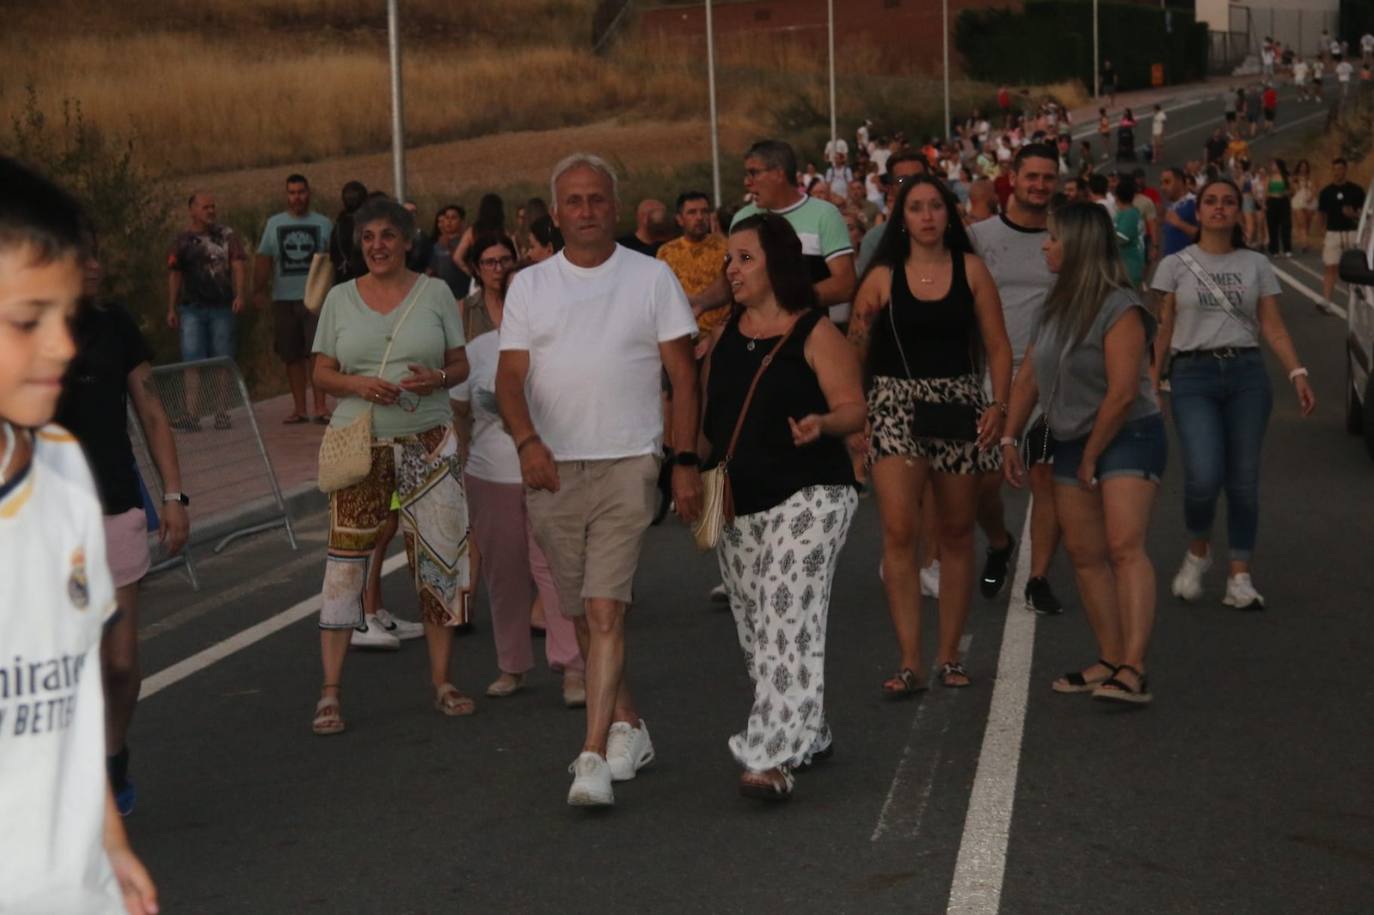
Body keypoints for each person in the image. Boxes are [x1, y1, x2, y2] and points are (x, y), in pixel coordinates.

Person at [495, 153, 701, 808]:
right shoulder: (530, 286)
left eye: (597, 199)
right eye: (574, 201)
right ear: (554, 214)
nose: (586, 210)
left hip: (629, 458)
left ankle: (591, 757)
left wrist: (684, 457)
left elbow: (684, 374)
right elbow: (509, 377)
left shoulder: (652, 276)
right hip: (553, 464)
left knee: (607, 605)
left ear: (615, 207)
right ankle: (628, 723)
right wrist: (527, 441)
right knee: (582, 609)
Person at [0, 155, 158, 913]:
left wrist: (111, 842)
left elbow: (70, 703)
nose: (63, 346)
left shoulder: (63, 475)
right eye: (28, 321)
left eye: (68, 317)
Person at [702, 213, 864, 799]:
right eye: (730, 259)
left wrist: (823, 421)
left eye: (745, 257)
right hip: (743, 499)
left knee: (783, 612)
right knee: (756, 626)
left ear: (776, 262)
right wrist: (687, 473)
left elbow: (854, 408)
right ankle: (810, 729)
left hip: (814, 491)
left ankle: (769, 753)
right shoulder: (722, 336)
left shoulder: (815, 332)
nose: (733, 269)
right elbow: (708, 423)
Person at [308, 197, 472, 734]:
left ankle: (442, 682)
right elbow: (322, 373)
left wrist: (438, 381)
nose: (377, 246)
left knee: (439, 562)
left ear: (407, 241)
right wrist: (356, 384)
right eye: (369, 237)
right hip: (362, 445)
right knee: (345, 565)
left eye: (387, 236)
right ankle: (330, 691)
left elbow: (459, 363)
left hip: (429, 442)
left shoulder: (436, 293)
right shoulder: (338, 298)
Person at [850, 174, 1012, 691]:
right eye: (915, 208)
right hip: (894, 404)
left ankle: (950, 657)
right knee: (900, 529)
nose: (926, 217)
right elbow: (855, 350)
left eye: (935, 207)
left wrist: (999, 407)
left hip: (958, 403)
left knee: (957, 531)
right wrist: (857, 420)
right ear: (901, 217)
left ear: (949, 214)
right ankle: (909, 660)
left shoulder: (972, 271)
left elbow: (999, 345)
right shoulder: (879, 278)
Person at [1002, 202, 1167, 704]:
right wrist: (1010, 436)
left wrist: (1093, 455)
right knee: (1085, 554)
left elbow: (1121, 393)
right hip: (1071, 436)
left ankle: (1134, 669)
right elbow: (1030, 374)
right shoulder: (1052, 303)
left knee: (1123, 546)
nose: (1045, 245)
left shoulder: (1122, 306)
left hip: (1127, 433)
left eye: (1053, 238)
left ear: (1076, 245)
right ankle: (1110, 659)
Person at [58, 229, 191, 818]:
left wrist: (174, 495)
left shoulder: (116, 327)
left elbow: (153, 411)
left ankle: (112, 758)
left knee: (118, 663)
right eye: (80, 257)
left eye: (96, 254)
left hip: (114, 506)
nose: (94, 266)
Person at [1150, 177, 1316, 610]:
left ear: (1236, 212)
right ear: (1198, 211)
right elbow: (1163, 327)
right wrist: (1152, 378)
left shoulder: (1255, 264)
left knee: (1243, 482)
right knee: (1203, 476)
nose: (1219, 208)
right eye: (1211, 202)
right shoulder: (1175, 264)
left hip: (1246, 375)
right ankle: (1198, 552)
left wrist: (1297, 371)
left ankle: (1239, 576)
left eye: (1227, 201)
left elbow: (1272, 324)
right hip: (1192, 375)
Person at [454, 232, 585, 706]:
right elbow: (460, 413)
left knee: (554, 570)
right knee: (504, 576)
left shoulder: (558, 346)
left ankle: (573, 668)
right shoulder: (479, 350)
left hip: (550, 473)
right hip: (489, 476)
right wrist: (458, 469)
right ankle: (512, 666)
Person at [970, 143, 1068, 614]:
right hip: (994, 377)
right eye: (1031, 176)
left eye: (1048, 178)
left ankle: (1039, 577)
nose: (1039, 186)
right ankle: (1000, 541)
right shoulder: (980, 237)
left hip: (1052, 379)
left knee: (1045, 474)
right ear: (1013, 176)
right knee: (982, 483)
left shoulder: (1064, 235)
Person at [254, 173, 332, 425]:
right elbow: (264, 258)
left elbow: (333, 260)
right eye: (292, 192)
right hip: (283, 299)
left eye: (301, 192)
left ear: (309, 193)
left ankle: (320, 407)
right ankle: (299, 408)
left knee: (317, 354)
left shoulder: (324, 223)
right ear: (286, 195)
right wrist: (258, 289)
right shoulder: (274, 224)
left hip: (316, 299)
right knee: (291, 355)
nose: (297, 197)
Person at [167, 191, 246, 431]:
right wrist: (171, 307)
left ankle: (222, 413)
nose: (210, 211)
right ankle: (192, 415)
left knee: (223, 360)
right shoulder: (182, 241)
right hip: (191, 309)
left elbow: (238, 264)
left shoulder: (227, 236)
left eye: (213, 206)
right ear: (192, 210)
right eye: (205, 207)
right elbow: (174, 273)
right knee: (191, 361)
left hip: (222, 306)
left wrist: (240, 294)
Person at [657, 191, 730, 339]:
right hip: (682, 334)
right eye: (692, 212)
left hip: (722, 334)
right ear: (679, 219)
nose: (699, 217)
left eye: (704, 211)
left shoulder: (727, 246)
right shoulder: (666, 253)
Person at [856, 152, 929, 276]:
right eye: (902, 180)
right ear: (891, 190)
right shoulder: (875, 239)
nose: (912, 185)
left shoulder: (948, 229)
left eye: (919, 178)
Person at [1316, 158, 1366, 311]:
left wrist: (1354, 215)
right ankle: (1326, 301)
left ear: (1345, 170)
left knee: (1356, 270)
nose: (1337, 172)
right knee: (1330, 267)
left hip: (1352, 233)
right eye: (1335, 169)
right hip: (1333, 233)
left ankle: (1361, 302)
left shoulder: (1356, 190)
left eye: (1340, 169)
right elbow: (1321, 214)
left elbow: (1364, 215)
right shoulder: (1326, 192)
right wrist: (1321, 232)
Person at [453, 193, 505, 276]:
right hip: (499, 274)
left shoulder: (473, 231)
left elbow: (457, 257)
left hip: (481, 273)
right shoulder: (502, 232)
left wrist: (471, 272)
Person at [427, 203, 470, 300]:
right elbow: (432, 270)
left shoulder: (466, 244)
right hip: (442, 297)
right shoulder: (437, 245)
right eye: (447, 218)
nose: (449, 221)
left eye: (453, 218)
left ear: (462, 222)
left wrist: (449, 247)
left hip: (463, 296)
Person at [329, 180, 369, 285]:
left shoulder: (338, 226)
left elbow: (333, 258)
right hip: (366, 283)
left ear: (343, 202)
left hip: (343, 282)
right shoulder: (369, 225)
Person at [1113, 173, 1146, 287]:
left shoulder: (1129, 214)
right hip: (1128, 267)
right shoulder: (1130, 212)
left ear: (1116, 196)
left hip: (1129, 268)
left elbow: (1121, 238)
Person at [1160, 167, 1200, 258]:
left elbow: (1206, 236)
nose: (1162, 187)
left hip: (1190, 265)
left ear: (1180, 182)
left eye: (1167, 182)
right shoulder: (1170, 206)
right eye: (1161, 183)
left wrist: (1179, 224)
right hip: (1170, 264)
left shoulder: (1195, 203)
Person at [1264, 158, 1293, 257]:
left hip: (1284, 202)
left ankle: (1287, 249)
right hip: (1272, 202)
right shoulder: (1269, 177)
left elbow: (1291, 190)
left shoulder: (1286, 177)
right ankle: (1274, 249)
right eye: (1272, 165)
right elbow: (1266, 191)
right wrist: (1265, 203)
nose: (1273, 167)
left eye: (1275, 165)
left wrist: (1285, 193)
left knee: (1286, 225)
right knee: (1272, 226)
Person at [1290, 159, 1317, 252]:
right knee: (1302, 223)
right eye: (1301, 167)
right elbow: (1293, 190)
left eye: (1305, 167)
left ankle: (1305, 240)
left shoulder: (1311, 177)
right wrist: (1297, 183)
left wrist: (1311, 196)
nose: (1303, 168)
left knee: (1307, 224)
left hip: (1310, 200)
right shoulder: (1295, 178)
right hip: (1298, 200)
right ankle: (1304, 244)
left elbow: (1315, 189)